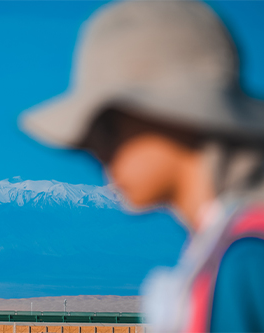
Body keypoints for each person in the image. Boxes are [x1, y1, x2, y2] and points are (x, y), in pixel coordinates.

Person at [18, 1, 264, 332]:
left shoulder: (246, 262)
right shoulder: (229, 254)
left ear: (178, 115)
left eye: (108, 126)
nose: (97, 151)